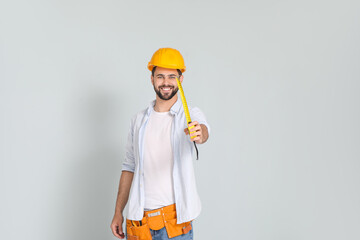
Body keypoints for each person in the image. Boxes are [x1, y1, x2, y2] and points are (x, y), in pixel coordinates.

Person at [110, 48, 210, 240]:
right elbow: (128, 167)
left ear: (180, 80)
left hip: (174, 226)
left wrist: (199, 133)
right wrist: (117, 212)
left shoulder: (190, 115)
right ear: (152, 79)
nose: (166, 82)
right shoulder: (138, 120)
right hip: (138, 224)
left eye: (172, 76)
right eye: (160, 76)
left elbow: (203, 132)